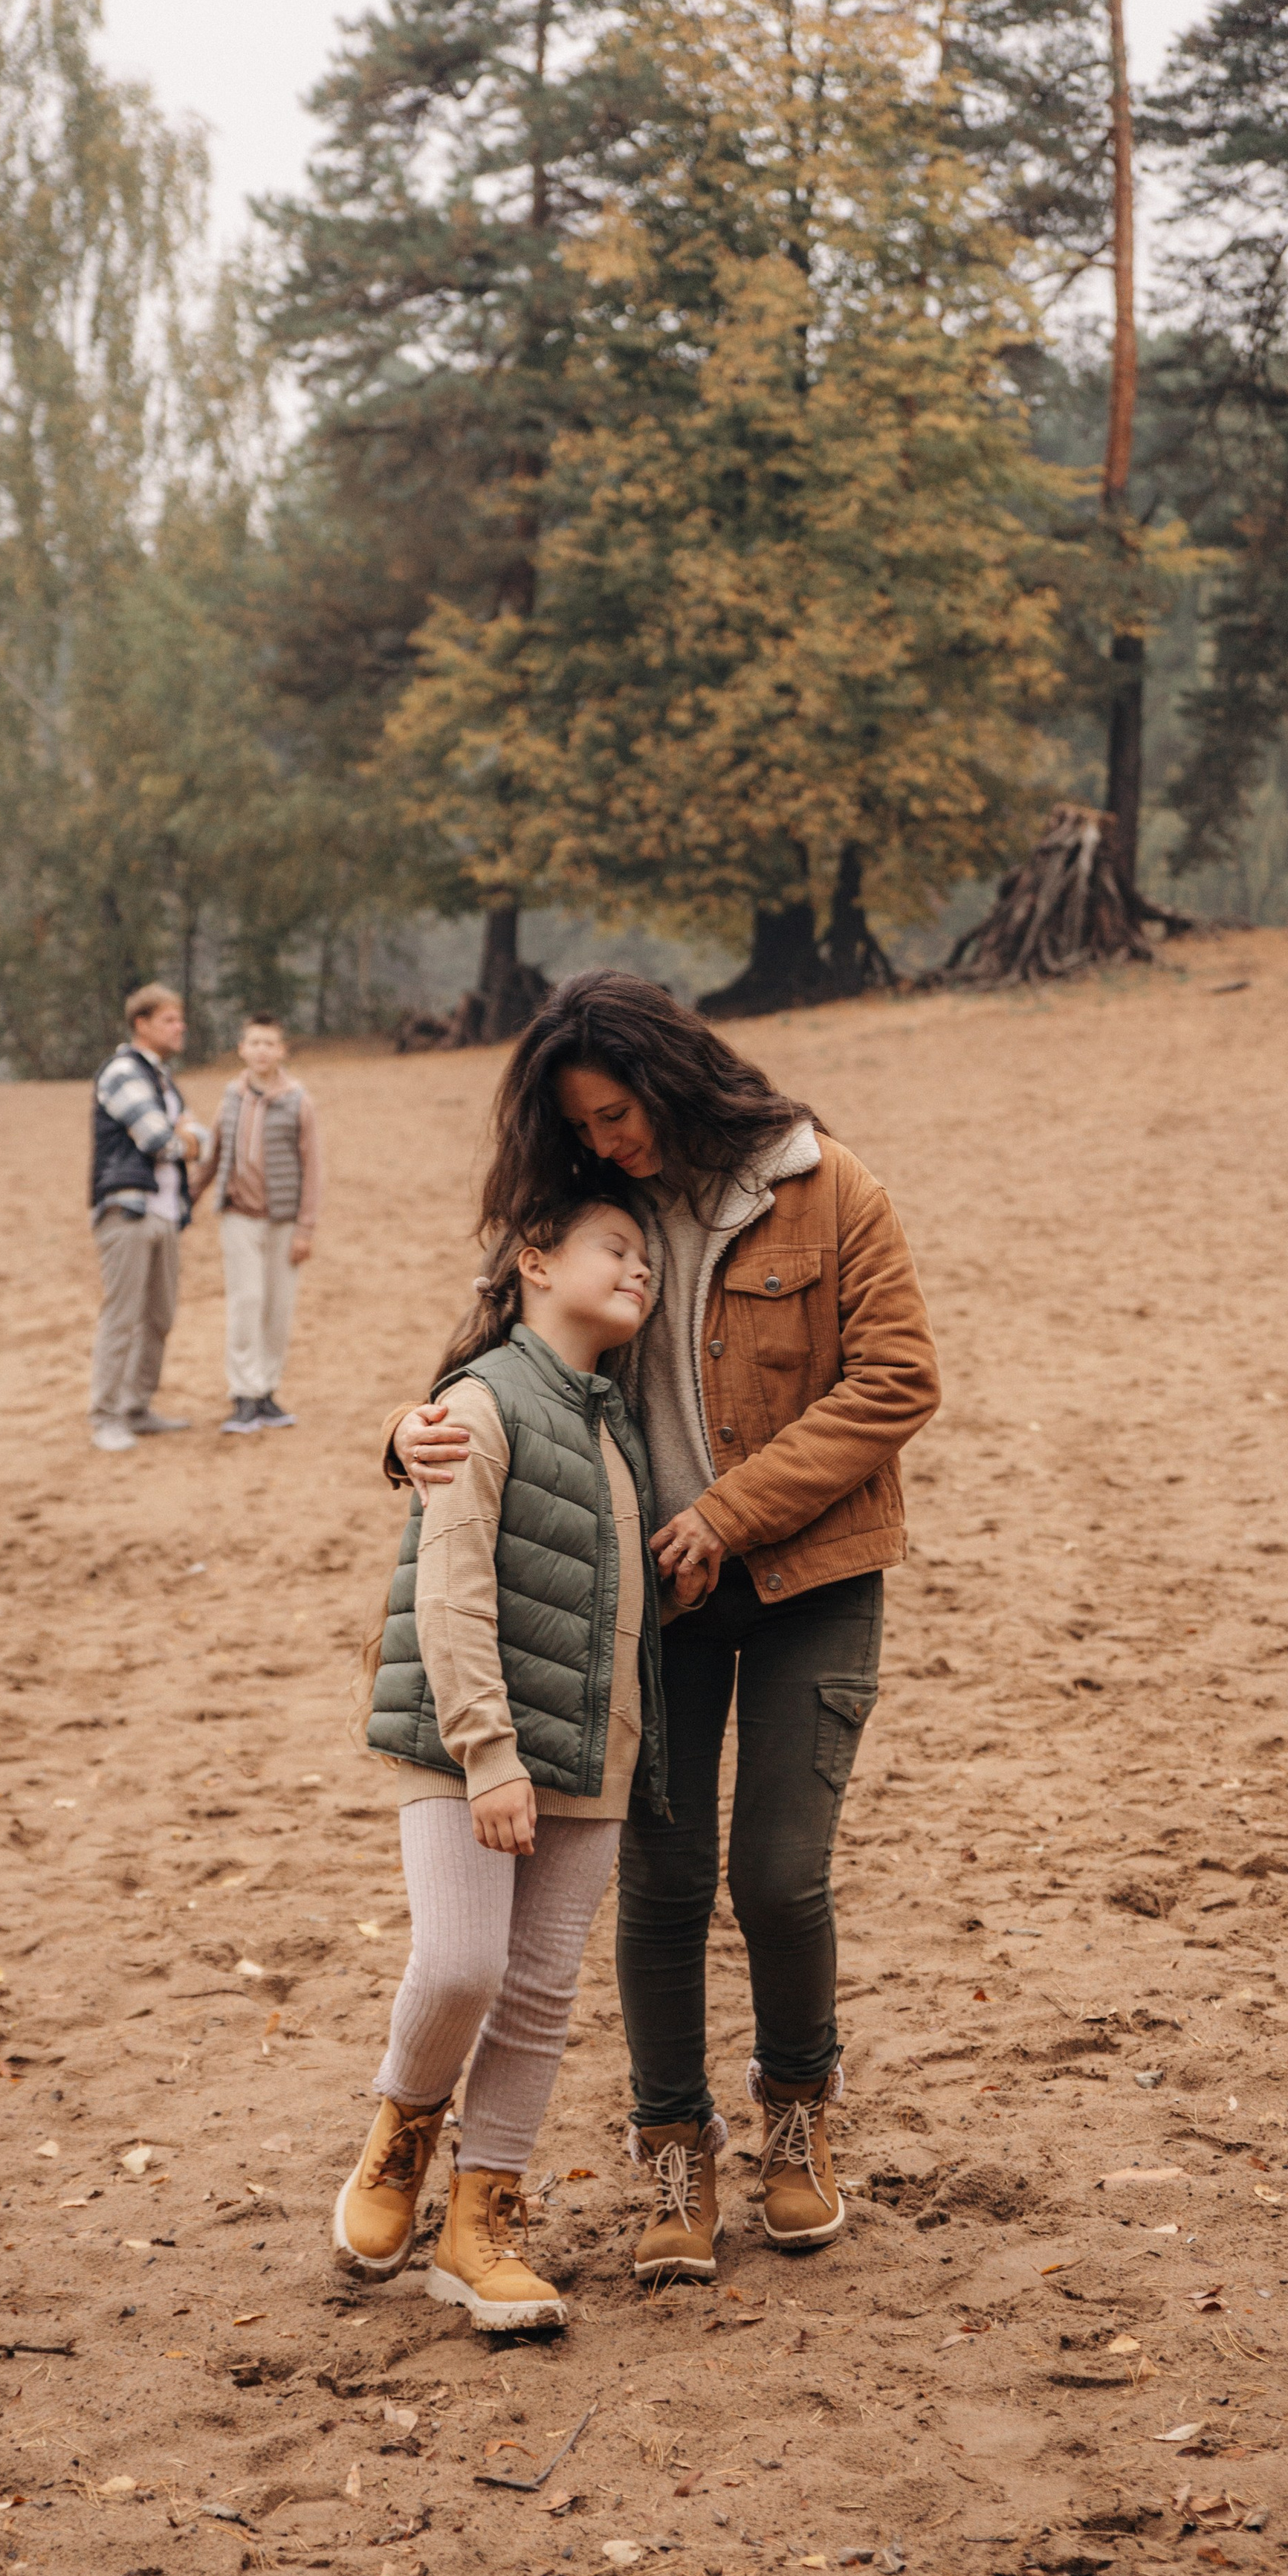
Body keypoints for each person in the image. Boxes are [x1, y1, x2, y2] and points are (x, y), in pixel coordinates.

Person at [388, 972, 939, 2285]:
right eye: (587, 1129)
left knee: (779, 1874)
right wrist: (405, 1435)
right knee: (666, 1884)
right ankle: (672, 2148)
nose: (612, 1145)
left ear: (676, 1073)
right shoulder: (587, 1212)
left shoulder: (830, 1187)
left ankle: (797, 2120)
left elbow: (900, 1379)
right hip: (646, 1600)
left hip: (813, 1577)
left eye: (622, 1114)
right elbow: (494, 1358)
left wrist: (735, 1512)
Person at [343, 1185, 679, 2331]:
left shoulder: (619, 1413)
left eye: (650, 1258)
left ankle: (479, 2224)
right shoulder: (482, 1402)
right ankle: (403, 2126)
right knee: (458, 1968)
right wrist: (489, 1755)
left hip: (597, 1748)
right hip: (464, 1740)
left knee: (537, 1993)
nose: (640, 1271)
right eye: (615, 1249)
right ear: (534, 1261)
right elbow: (450, 1588)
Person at [190, 1013, 323, 1436]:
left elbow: (313, 1167)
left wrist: (306, 1228)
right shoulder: (230, 1097)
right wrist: (189, 1196)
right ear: (242, 1049)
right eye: (254, 1043)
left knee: (278, 1307)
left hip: (283, 1220)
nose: (262, 1050)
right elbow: (213, 1154)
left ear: (281, 1051)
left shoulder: (299, 1101)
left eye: (270, 1043)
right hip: (239, 1216)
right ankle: (243, 1395)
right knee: (246, 1302)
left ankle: (267, 1390)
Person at [88, 984, 204, 1454]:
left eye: (180, 1019)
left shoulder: (161, 1078)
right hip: (129, 1211)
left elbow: (203, 1137)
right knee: (123, 1316)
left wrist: (189, 1138)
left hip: (165, 1213)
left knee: (159, 1315)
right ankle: (106, 1416)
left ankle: (136, 1408)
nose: (180, 1027)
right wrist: (187, 1139)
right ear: (141, 1023)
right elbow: (163, 1142)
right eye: (169, 1020)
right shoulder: (122, 1072)